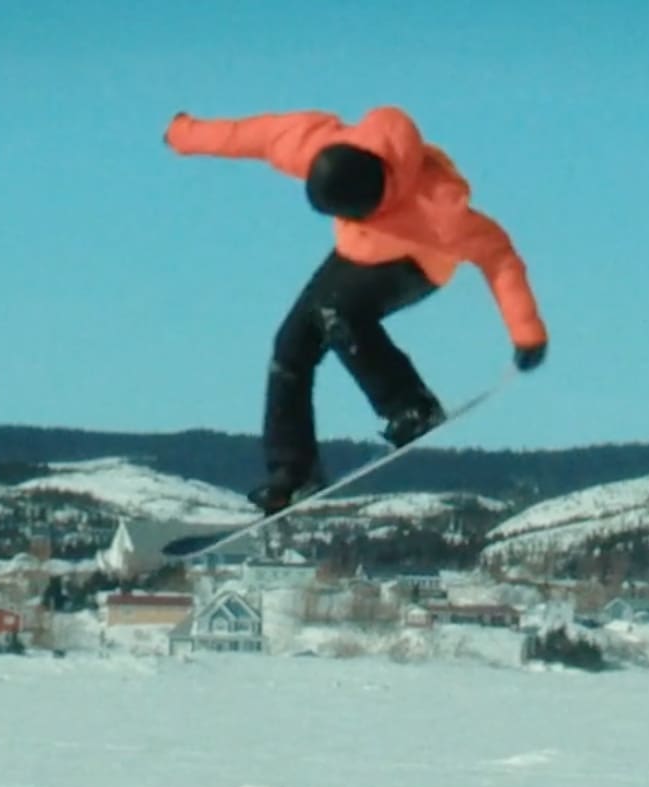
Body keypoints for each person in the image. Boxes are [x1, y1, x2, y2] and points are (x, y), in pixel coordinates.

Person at [164, 105, 549, 514]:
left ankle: (412, 406)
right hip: (356, 253)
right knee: (290, 344)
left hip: (417, 260)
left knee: (337, 312)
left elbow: (499, 258)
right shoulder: (313, 144)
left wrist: (527, 332)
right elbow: (247, 135)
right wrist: (184, 134)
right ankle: (293, 472)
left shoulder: (438, 210)